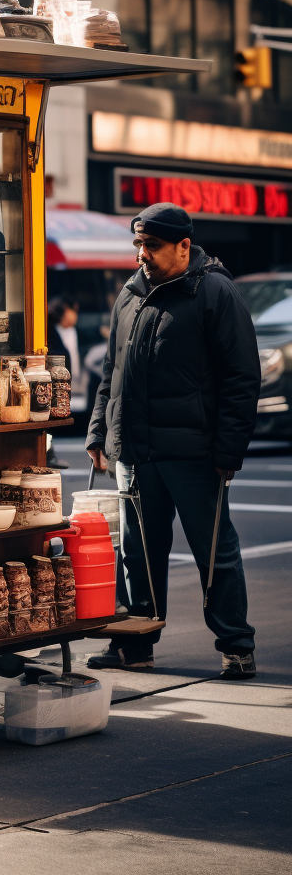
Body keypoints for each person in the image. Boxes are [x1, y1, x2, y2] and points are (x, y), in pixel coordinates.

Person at [85, 202, 260, 679]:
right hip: (135, 452)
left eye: (153, 245)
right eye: (138, 244)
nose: (142, 253)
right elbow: (112, 372)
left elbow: (242, 378)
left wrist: (229, 451)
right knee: (136, 553)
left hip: (195, 454)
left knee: (214, 551)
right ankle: (136, 646)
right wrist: (99, 430)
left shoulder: (215, 293)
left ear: (185, 246)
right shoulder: (130, 293)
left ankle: (236, 645)